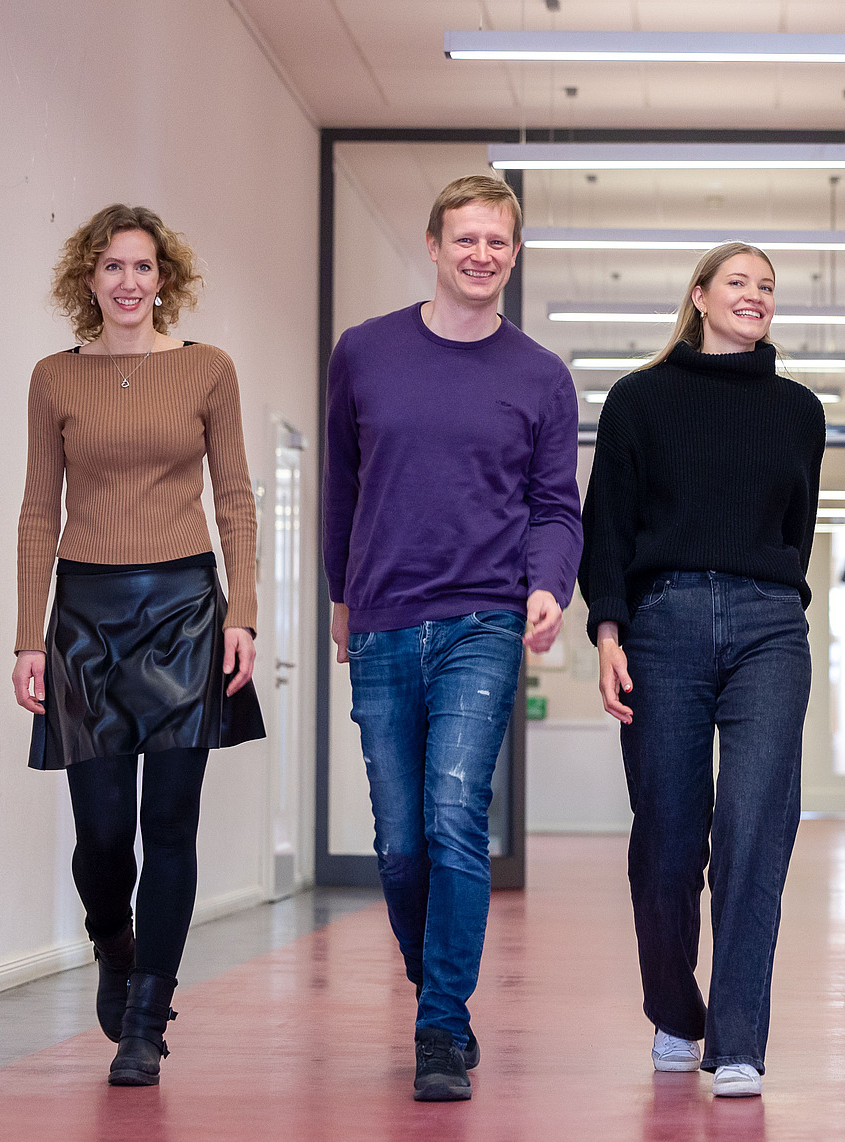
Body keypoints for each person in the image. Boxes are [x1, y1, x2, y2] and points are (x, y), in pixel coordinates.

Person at [324, 175, 583, 1101]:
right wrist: (339, 598)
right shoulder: (365, 353)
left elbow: (557, 505)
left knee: (452, 816)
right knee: (399, 842)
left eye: (499, 244)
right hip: (386, 618)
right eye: (466, 239)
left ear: (513, 257)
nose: (482, 256)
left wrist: (547, 585)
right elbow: (342, 489)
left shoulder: (541, 376)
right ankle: (435, 988)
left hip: (484, 614)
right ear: (433, 245)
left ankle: (441, 1027)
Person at [13, 204, 265, 1087]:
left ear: (166, 279)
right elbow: (38, 509)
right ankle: (112, 944)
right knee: (104, 832)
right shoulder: (54, 378)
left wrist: (243, 615)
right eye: (113, 267)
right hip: (84, 612)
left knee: (170, 823)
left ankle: (147, 1020)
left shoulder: (207, 371)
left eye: (144, 267)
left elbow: (235, 495)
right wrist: (25, 638)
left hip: (186, 609)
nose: (129, 282)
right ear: (89, 280)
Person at [579, 242, 825, 1098]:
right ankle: (676, 1012)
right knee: (669, 843)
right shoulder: (639, 401)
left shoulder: (800, 410)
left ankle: (740, 1041)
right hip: (663, 622)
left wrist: (769, 597)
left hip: (767, 625)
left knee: (757, 830)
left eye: (766, 287)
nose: (755, 296)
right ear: (699, 297)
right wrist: (607, 634)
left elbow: (794, 532)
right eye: (739, 283)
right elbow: (605, 526)